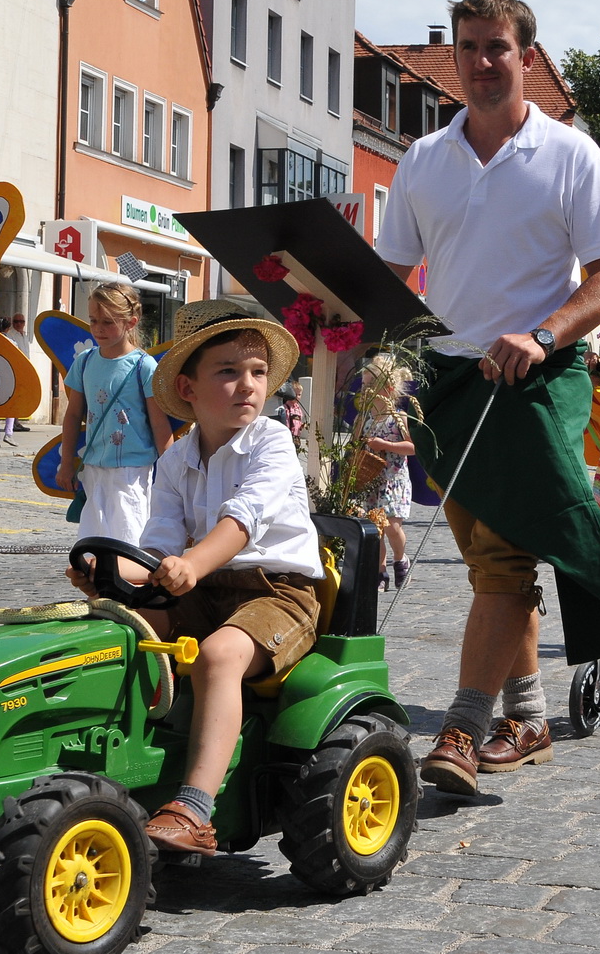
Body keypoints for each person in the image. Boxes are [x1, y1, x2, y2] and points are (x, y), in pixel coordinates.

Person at [376, 0, 600, 794]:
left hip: (540, 373)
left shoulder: (571, 154)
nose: (483, 62)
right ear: (453, 58)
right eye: (469, 48)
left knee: (499, 557)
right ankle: (526, 717)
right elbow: (387, 281)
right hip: (451, 379)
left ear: (526, 57)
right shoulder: (421, 159)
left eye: (498, 47)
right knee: (495, 550)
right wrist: (359, 349)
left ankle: (461, 728)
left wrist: (546, 334)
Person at [67, 305, 322, 855]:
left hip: (276, 592)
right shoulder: (178, 456)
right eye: (228, 371)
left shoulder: (272, 442)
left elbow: (242, 520)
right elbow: (157, 543)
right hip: (202, 589)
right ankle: (113, 760)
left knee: (217, 657)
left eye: (257, 372)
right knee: (115, 632)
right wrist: (106, 571)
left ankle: (195, 808)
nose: (248, 385)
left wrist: (194, 563)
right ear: (187, 386)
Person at [56, 282, 171, 544]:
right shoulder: (84, 361)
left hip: (131, 468)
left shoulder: (144, 365)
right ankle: (99, 582)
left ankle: (134, 581)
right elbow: (73, 415)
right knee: (93, 537)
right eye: (93, 320)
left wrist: (170, 470)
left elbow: (158, 421)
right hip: (94, 464)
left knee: (130, 534)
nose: (98, 329)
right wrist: (66, 463)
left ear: (130, 322)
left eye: (108, 322)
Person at [357, 353, 415, 591]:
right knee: (376, 529)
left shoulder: (398, 417)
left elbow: (411, 447)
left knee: (392, 527)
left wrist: (386, 446)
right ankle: (380, 571)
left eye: (371, 385)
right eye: (364, 385)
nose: (366, 390)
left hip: (394, 480)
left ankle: (401, 560)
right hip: (372, 480)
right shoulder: (364, 418)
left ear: (387, 387)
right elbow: (357, 444)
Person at [0, 317, 18, 447]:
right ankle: (8, 434)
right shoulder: (11, 342)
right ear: (8, 328)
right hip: (7, 377)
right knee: (10, 407)